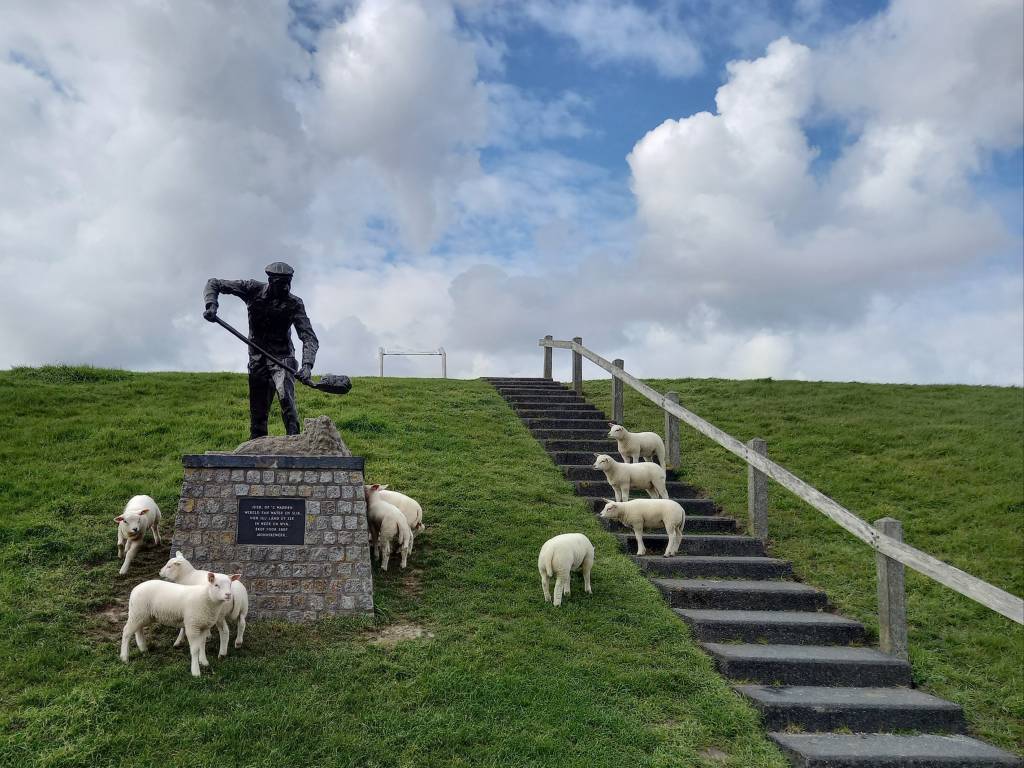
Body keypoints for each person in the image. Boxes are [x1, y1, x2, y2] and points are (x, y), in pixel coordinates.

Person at [203, 262, 319, 438]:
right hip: (257, 357)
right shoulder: (251, 289)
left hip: (283, 357)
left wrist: (307, 365)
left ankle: (295, 441)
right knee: (258, 411)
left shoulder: (294, 303)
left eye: (289, 283)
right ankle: (256, 449)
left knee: (286, 399)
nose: (286, 288)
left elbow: (309, 337)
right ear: (271, 282)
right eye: (282, 284)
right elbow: (214, 283)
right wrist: (211, 304)